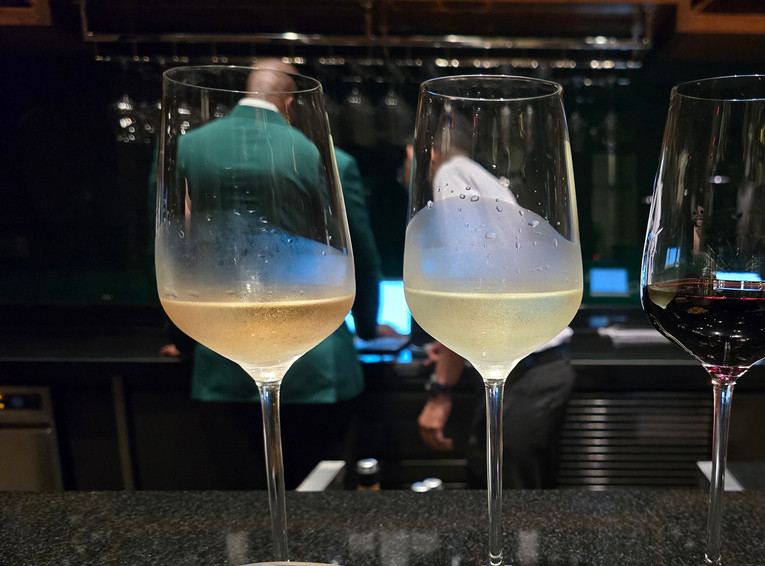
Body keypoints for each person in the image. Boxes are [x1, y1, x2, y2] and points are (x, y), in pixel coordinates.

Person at [162, 60, 384, 489]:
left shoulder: (186, 147)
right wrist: (368, 327)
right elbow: (359, 252)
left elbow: (165, 245)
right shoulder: (329, 159)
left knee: (244, 498)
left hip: (221, 357)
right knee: (319, 495)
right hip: (318, 362)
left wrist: (181, 338)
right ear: (291, 103)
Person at [410, 140, 576, 489]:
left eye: (410, 151)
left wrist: (441, 391)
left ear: (432, 149)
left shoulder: (450, 175)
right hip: (536, 366)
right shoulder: (480, 178)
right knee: (514, 488)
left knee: (507, 489)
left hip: (525, 372)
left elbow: (467, 288)